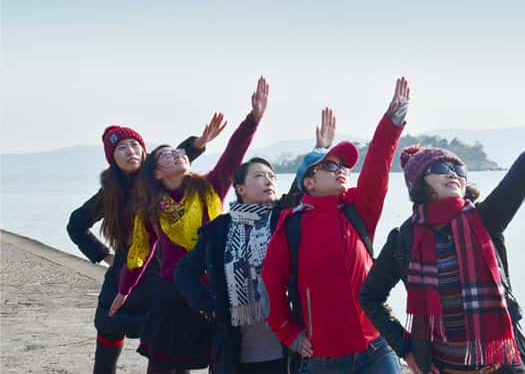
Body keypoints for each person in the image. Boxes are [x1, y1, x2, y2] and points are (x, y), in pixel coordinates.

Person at [359, 78, 525, 374]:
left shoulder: (485, 219)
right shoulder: (404, 240)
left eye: (458, 169)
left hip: (501, 366)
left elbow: (519, 179)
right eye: (440, 168)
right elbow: (370, 296)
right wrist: (406, 349)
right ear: (418, 182)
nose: (453, 174)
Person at [108, 76, 269, 373]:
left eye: (178, 151)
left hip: (214, 291)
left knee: (219, 363)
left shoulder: (211, 187)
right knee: (162, 368)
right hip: (172, 296)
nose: (177, 153)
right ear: (157, 173)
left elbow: (234, 154)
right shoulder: (151, 207)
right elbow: (140, 251)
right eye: (166, 155)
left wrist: (253, 119)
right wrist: (124, 289)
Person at [260, 78, 411, 374]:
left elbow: (377, 165)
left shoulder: (359, 210)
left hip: (377, 347)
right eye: (331, 165)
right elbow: (270, 287)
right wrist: (290, 334)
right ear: (309, 183)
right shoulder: (291, 226)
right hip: (323, 358)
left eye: (343, 166)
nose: (341, 170)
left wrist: (392, 121)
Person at [174, 109, 336, 374]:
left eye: (272, 176)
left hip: (286, 348)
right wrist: (210, 306)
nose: (268, 181)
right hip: (235, 351)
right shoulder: (219, 230)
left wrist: (320, 151)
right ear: (240, 189)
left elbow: (303, 187)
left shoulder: (283, 219)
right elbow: (183, 271)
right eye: (259, 176)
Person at [67, 119, 222, 374]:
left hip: (161, 278)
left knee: (171, 355)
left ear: (144, 151)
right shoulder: (109, 193)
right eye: (121, 148)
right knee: (105, 352)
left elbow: (177, 155)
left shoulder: (158, 177)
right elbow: (75, 225)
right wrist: (103, 254)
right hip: (124, 275)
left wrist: (199, 143)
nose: (130, 151)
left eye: (134, 145)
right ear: (112, 159)